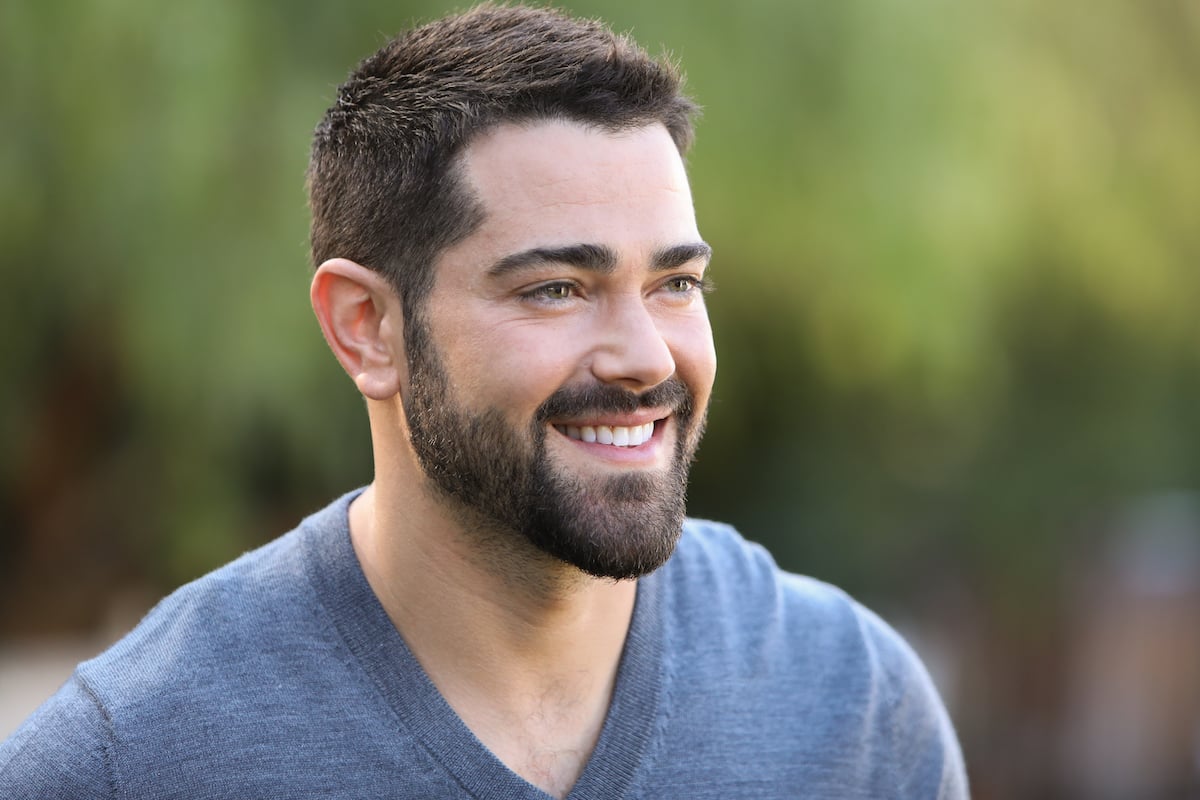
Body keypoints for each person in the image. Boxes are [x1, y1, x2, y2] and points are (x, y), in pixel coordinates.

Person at [0, 4, 968, 798]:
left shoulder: (849, 706)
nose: (645, 356)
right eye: (557, 287)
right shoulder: (132, 760)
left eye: (675, 283)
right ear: (366, 327)